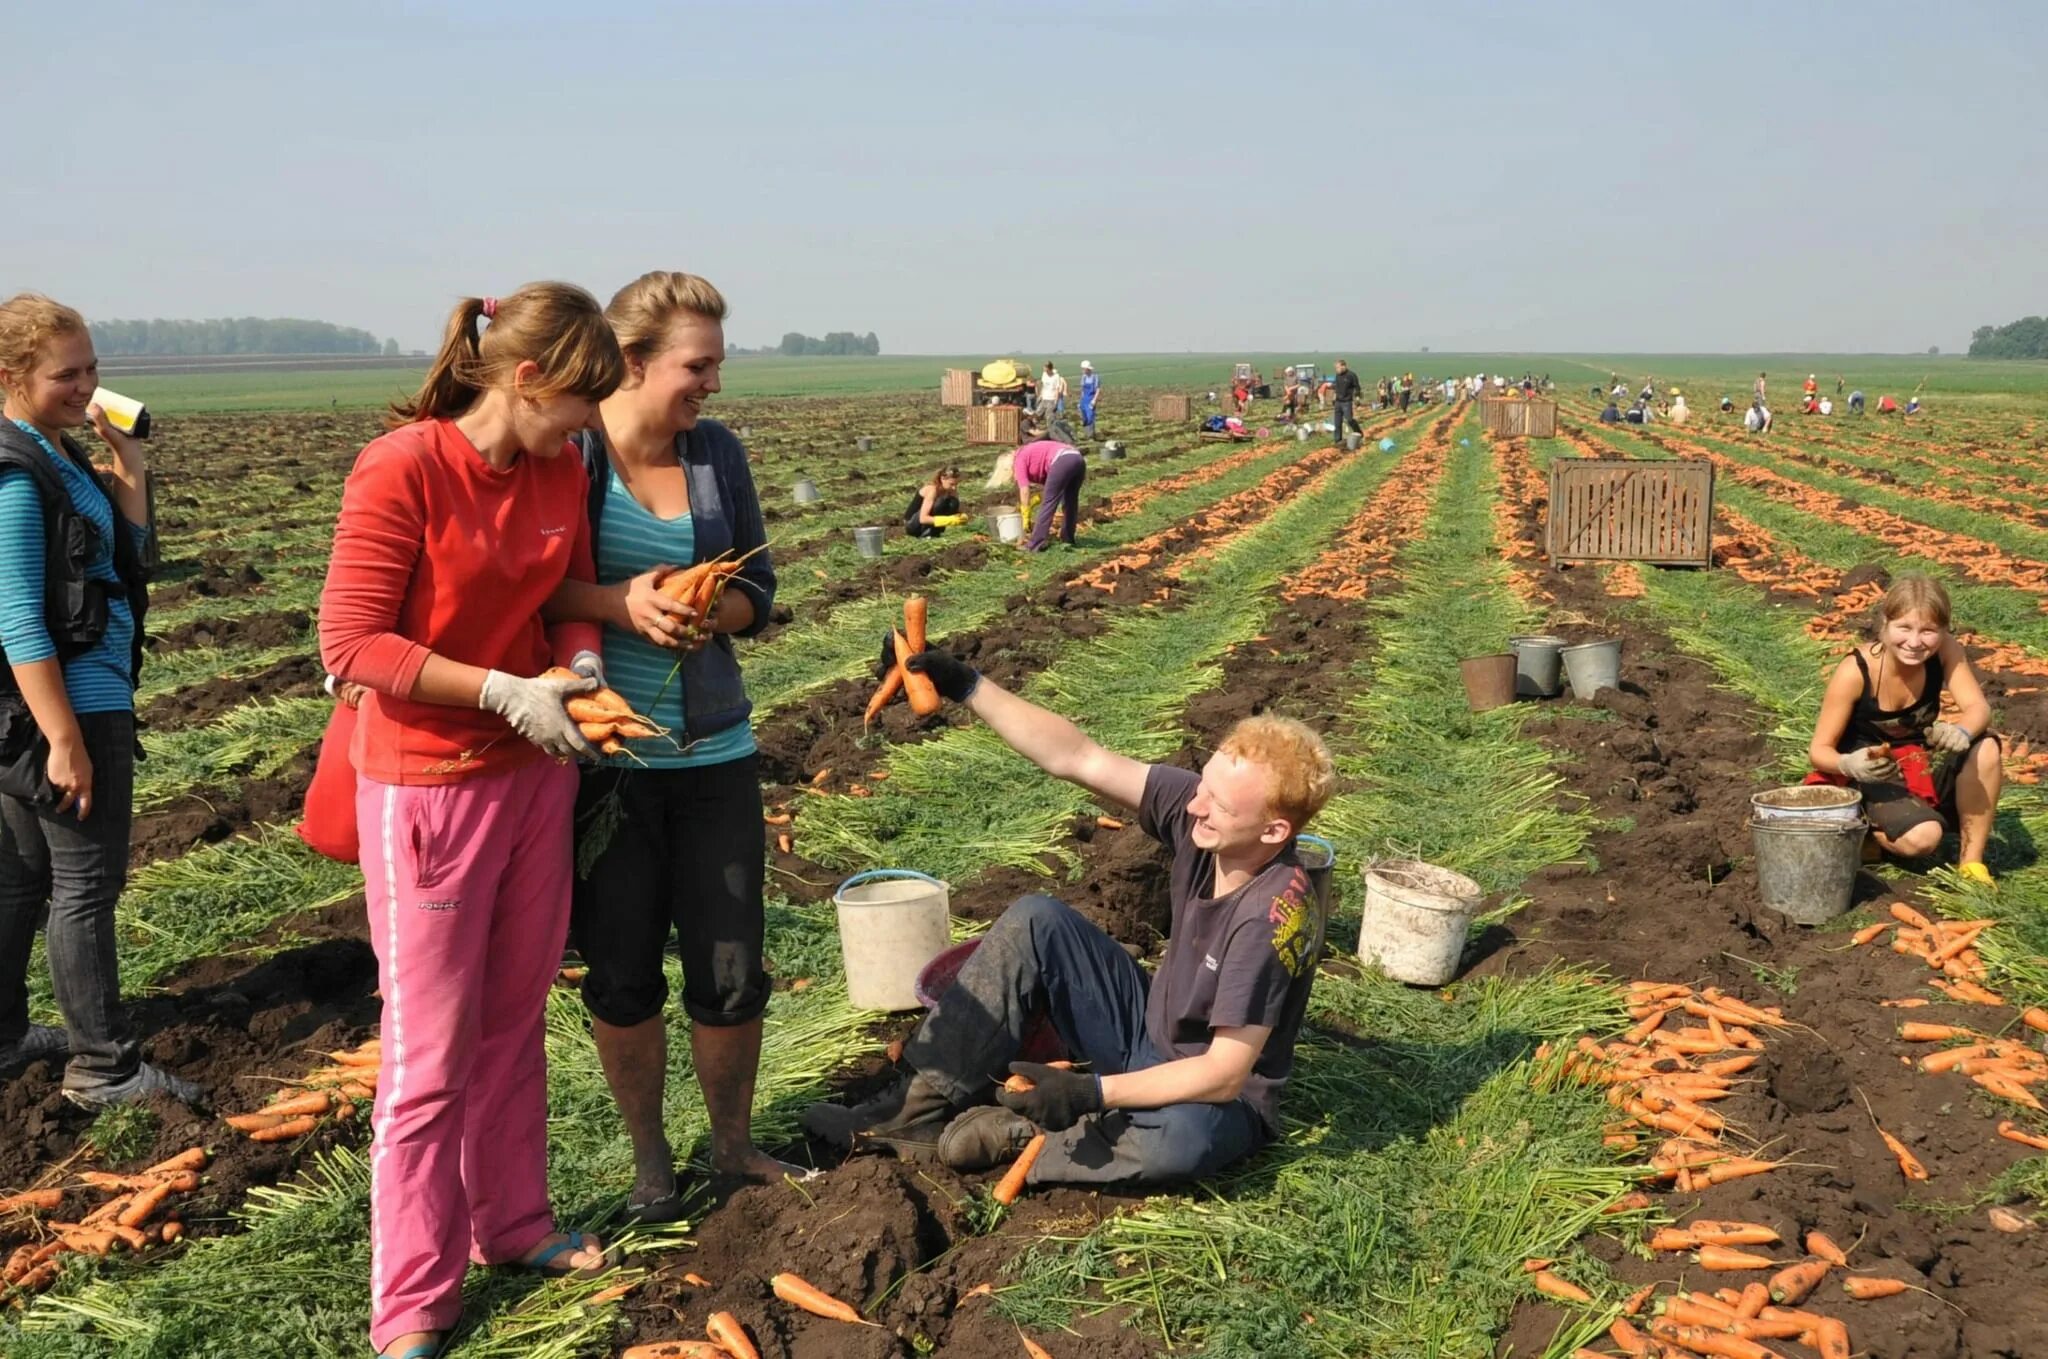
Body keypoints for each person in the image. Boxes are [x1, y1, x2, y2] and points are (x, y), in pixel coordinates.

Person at [319, 283, 626, 1359]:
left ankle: (513, 1223)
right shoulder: (402, 466)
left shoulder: (554, 468)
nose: (591, 426)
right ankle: (410, 1305)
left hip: (532, 779)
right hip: (427, 788)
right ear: (525, 377)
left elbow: (564, 598)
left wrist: (577, 678)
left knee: (513, 1016)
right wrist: (501, 691)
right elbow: (351, 645)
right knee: (429, 1055)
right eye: (580, 403)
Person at [804, 653, 1335, 1189]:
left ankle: (1036, 1139)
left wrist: (1091, 1092)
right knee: (1039, 920)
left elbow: (1223, 1074)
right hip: (1147, 1029)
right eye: (1202, 787)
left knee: (1182, 1142)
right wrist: (969, 686)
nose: (1195, 806)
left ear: (1273, 833)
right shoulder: (1204, 816)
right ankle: (908, 1117)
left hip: (1212, 1098)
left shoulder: (1271, 920)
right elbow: (1078, 756)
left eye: (1218, 805)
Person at [535, 271, 792, 1226]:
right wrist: (625, 604)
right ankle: (652, 1163)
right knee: (622, 970)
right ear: (635, 363)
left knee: (730, 966)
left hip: (715, 752)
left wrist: (712, 605)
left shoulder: (716, 454)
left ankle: (732, 1145)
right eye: (698, 365)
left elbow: (758, 591)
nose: (712, 385)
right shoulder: (572, 455)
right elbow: (535, 590)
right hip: (608, 768)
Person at [0, 294, 197, 1106]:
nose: (86, 385)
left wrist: (130, 466)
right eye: (65, 373)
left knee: (22, 879)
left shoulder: (60, 453)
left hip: (56, 708)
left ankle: (8, 1036)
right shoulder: (19, 473)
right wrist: (64, 737)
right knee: (84, 885)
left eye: (91, 368)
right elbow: (16, 617)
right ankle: (102, 1066)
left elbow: (132, 556)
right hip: (67, 707)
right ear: (11, 375)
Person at [1805, 575, 2000, 885]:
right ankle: (1864, 828)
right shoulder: (1856, 671)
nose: (1914, 642)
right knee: (1924, 838)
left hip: (1918, 764)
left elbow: (1979, 709)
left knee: (1986, 746)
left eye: (1928, 631)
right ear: (1885, 623)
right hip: (1870, 775)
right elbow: (1818, 751)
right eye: (1904, 628)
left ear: (1943, 630)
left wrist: (1961, 731)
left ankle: (1972, 864)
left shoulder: (1946, 650)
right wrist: (1847, 763)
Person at [989, 436, 1085, 551]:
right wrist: (1037, 498)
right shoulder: (1027, 454)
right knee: (1070, 502)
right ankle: (1068, 539)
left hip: (1062, 460)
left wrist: (1025, 514)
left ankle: (1034, 544)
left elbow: (1024, 490)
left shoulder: (1018, 460)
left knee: (1048, 504)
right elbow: (1051, 482)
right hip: (1077, 458)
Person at [905, 464, 966, 538]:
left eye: (956, 484)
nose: (954, 487)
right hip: (913, 525)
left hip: (929, 521)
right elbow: (923, 519)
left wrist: (961, 516)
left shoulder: (951, 490)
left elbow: (955, 509)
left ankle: (934, 533)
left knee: (953, 502)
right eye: (951, 484)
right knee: (940, 502)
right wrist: (948, 520)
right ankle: (926, 534)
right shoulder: (932, 490)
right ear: (942, 478)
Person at [1329, 360, 1363, 447]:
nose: (1336, 369)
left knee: (1349, 419)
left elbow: (1357, 387)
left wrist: (1357, 398)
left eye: (1337, 367)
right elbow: (1336, 387)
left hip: (1347, 402)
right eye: (1335, 368)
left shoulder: (1351, 375)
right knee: (1337, 422)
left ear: (1343, 366)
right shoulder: (1337, 376)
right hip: (1338, 402)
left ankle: (1359, 432)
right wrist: (1334, 397)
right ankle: (1338, 441)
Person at [1078, 360, 1100, 437]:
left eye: (1084, 369)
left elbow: (1097, 390)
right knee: (1084, 417)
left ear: (1088, 369)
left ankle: (1091, 434)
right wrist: (1080, 401)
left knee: (1090, 416)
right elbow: (1082, 390)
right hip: (1084, 399)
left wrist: (1094, 400)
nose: (1083, 370)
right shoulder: (1083, 377)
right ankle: (1086, 433)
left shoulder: (1095, 377)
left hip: (1091, 399)